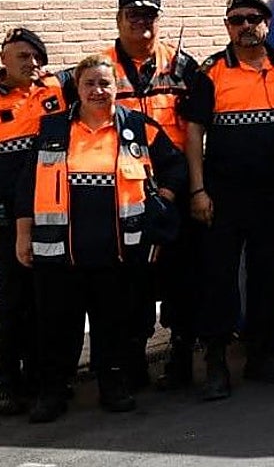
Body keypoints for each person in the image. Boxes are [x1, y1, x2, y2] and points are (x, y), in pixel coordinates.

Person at [14, 54, 187, 423]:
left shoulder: (138, 128)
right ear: (77, 87)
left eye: (104, 83)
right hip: (59, 253)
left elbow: (176, 165)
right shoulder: (52, 129)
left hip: (118, 252)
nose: (97, 90)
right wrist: (23, 234)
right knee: (57, 328)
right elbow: (27, 185)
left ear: (115, 88)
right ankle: (52, 392)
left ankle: (114, 386)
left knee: (115, 325)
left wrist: (163, 199)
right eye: (89, 83)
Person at [181, 0, 274, 401]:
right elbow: (194, 132)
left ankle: (259, 356)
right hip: (223, 196)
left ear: (267, 23)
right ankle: (216, 363)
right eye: (236, 20)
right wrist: (197, 189)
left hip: (273, 197)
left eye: (253, 18)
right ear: (227, 27)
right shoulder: (211, 72)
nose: (245, 25)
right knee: (219, 280)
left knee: (269, 277)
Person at [98, 0, 200, 391]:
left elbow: (200, 124)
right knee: (130, 279)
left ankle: (180, 356)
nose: (142, 23)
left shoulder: (182, 66)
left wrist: (191, 189)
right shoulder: (100, 69)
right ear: (119, 19)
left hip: (173, 184)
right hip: (121, 191)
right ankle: (132, 359)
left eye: (149, 16)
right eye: (133, 16)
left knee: (181, 277)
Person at [0, 29, 67, 417]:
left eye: (36, 55)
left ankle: (43, 378)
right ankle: (7, 382)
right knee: (12, 302)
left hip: (50, 214)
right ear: (5, 59)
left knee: (48, 302)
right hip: (6, 219)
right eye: (22, 56)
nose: (31, 62)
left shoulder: (55, 89)